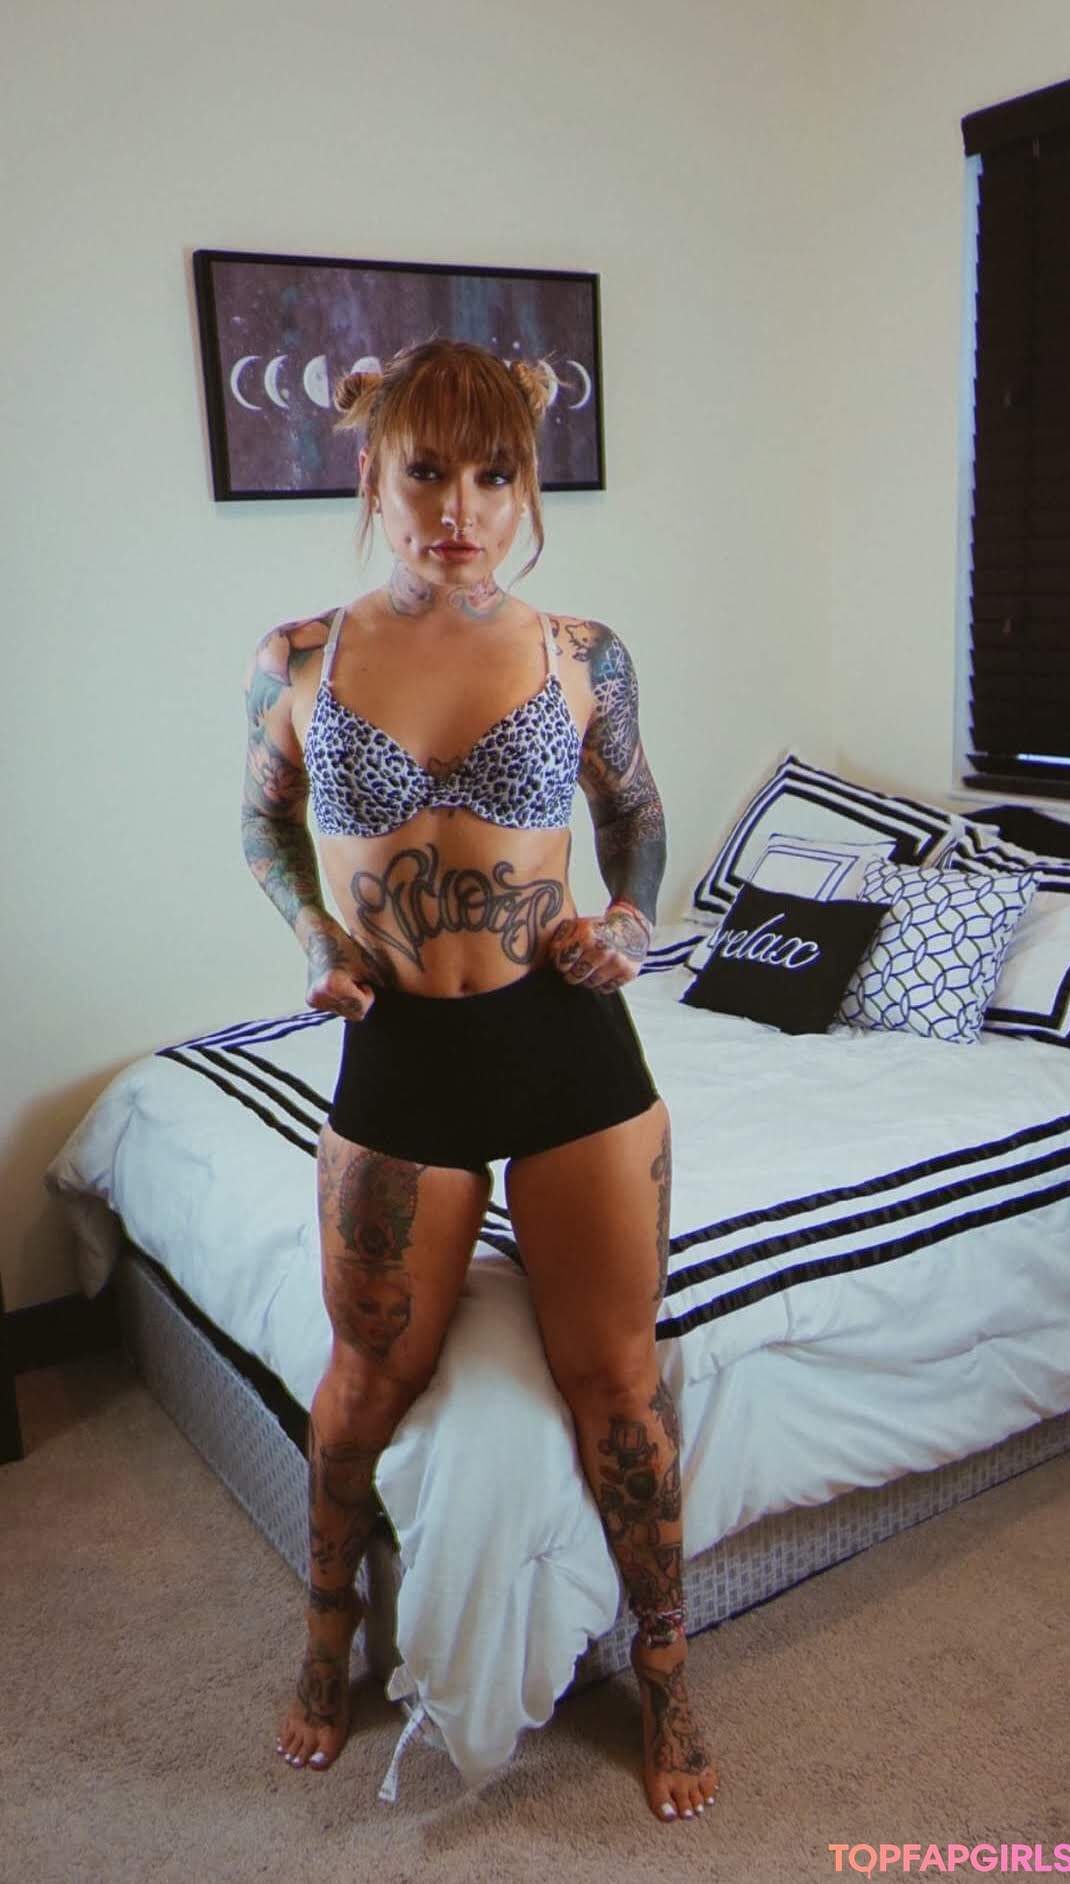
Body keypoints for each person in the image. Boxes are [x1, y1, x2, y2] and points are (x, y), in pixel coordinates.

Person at [241, 338, 716, 1823]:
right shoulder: (301, 659)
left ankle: (667, 1670)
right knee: (368, 1376)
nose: (462, 507)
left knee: (616, 1379)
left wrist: (631, 921)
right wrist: (313, 930)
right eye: (429, 471)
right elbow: (262, 823)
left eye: (496, 475)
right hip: (404, 1050)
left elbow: (637, 816)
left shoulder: (584, 653)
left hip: (565, 1042)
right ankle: (330, 1641)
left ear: (527, 486)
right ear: (372, 473)